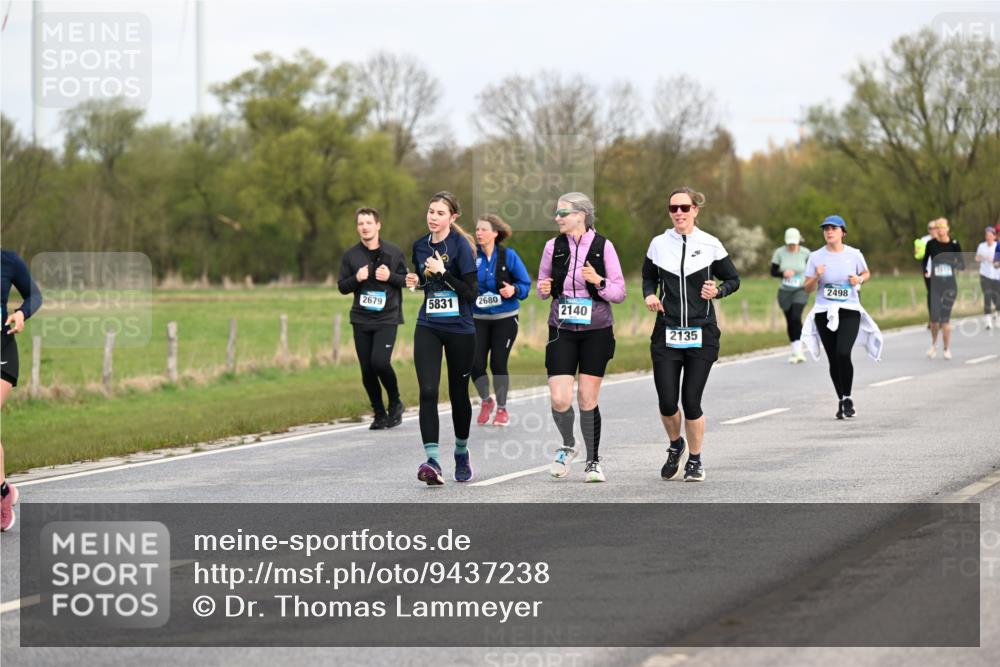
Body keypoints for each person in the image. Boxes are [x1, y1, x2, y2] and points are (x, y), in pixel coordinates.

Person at [643, 187, 740, 483]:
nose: (679, 213)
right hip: (667, 333)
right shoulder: (659, 244)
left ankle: (695, 460)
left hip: (702, 333)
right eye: (673, 209)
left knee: (691, 400)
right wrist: (649, 294)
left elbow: (733, 279)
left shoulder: (710, 244)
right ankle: (676, 446)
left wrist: (718, 290)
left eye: (684, 207)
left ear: (696, 210)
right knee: (667, 401)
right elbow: (648, 277)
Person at [538, 192, 626, 483]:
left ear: (581, 215)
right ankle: (567, 445)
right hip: (562, 329)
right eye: (557, 213)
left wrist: (598, 281)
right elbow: (542, 284)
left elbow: (619, 293)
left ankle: (593, 460)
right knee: (560, 398)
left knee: (587, 398)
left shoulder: (603, 247)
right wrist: (544, 288)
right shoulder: (553, 246)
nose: (557, 218)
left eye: (563, 213)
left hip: (596, 331)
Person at [405, 192, 478, 485]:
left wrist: (444, 272)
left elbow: (471, 293)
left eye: (439, 213)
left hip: (460, 328)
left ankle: (461, 452)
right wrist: (417, 281)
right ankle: (432, 461)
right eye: (430, 211)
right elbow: (425, 281)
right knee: (427, 390)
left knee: (458, 394)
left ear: (452, 218)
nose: (433, 217)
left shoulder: (461, 246)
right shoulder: (420, 246)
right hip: (429, 325)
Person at [802, 215, 883, 419]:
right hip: (823, 312)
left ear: (843, 233)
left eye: (833, 228)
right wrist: (817, 276)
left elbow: (866, 273)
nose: (829, 231)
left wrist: (859, 279)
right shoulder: (815, 257)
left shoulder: (854, 254)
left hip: (849, 310)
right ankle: (842, 400)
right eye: (826, 229)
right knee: (833, 358)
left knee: (843, 353)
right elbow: (807, 288)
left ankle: (847, 397)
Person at [338, 207, 409, 429]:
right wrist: (356, 279)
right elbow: (342, 287)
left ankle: (395, 402)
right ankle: (379, 413)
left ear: (377, 225)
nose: (365, 227)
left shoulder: (394, 252)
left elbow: (408, 281)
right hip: (361, 318)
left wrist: (391, 276)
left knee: (380, 362)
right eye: (360, 223)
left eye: (369, 222)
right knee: (367, 370)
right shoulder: (351, 256)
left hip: (387, 317)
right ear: (357, 227)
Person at [471, 214, 532, 427]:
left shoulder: (509, 256)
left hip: (505, 318)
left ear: (495, 233)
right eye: (477, 229)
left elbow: (525, 284)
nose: (478, 233)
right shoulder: (471, 256)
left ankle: (502, 409)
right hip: (478, 317)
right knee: (475, 364)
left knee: (498, 362)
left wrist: (513, 289)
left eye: (483, 229)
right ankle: (486, 401)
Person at [1, 249, 43, 532]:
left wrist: (20, 313)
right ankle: (3, 489)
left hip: (1, 351)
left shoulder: (8, 261)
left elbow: (35, 296)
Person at [922, 218, 965, 359]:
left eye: (942, 227)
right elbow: (925, 260)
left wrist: (951, 265)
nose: (939, 230)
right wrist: (926, 271)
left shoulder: (954, 244)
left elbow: (962, 265)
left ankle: (946, 349)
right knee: (934, 319)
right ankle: (934, 345)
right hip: (935, 286)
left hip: (950, 286)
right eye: (937, 227)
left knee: (944, 319)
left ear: (947, 229)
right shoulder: (931, 244)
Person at [770, 227, 810, 363]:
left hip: (801, 289)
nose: (792, 245)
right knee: (790, 321)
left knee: (795, 317)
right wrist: (783, 273)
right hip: (785, 291)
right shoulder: (779, 253)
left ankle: (800, 351)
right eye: (790, 243)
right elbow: (773, 272)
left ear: (799, 240)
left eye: (794, 242)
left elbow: (812, 270)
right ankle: (795, 351)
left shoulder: (806, 253)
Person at [976, 226, 999, 329]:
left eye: (990, 235)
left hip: (996, 276)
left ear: (994, 236)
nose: (988, 237)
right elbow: (976, 258)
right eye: (986, 235)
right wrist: (983, 257)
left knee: (997, 298)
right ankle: (988, 321)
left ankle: (998, 315)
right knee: (987, 296)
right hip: (984, 275)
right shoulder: (981, 246)